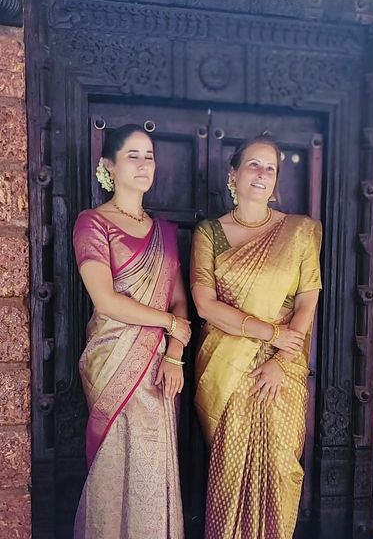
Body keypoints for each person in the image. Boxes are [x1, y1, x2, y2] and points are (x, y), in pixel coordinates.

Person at [190, 134, 322, 539]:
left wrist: (281, 359)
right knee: (230, 468)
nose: (262, 173)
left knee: (281, 468)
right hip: (226, 368)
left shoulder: (299, 231)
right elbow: (205, 305)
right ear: (233, 173)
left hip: (283, 370)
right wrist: (272, 333)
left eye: (270, 167)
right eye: (253, 164)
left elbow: (307, 299)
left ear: (277, 179)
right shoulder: (209, 233)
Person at [72, 124, 190, 539]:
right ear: (109, 166)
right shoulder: (93, 224)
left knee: (152, 465)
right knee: (116, 462)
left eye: (150, 156)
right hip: (113, 361)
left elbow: (179, 302)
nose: (144, 165)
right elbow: (105, 301)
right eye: (133, 156)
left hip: (159, 368)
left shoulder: (166, 234)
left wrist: (175, 352)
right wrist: (170, 324)